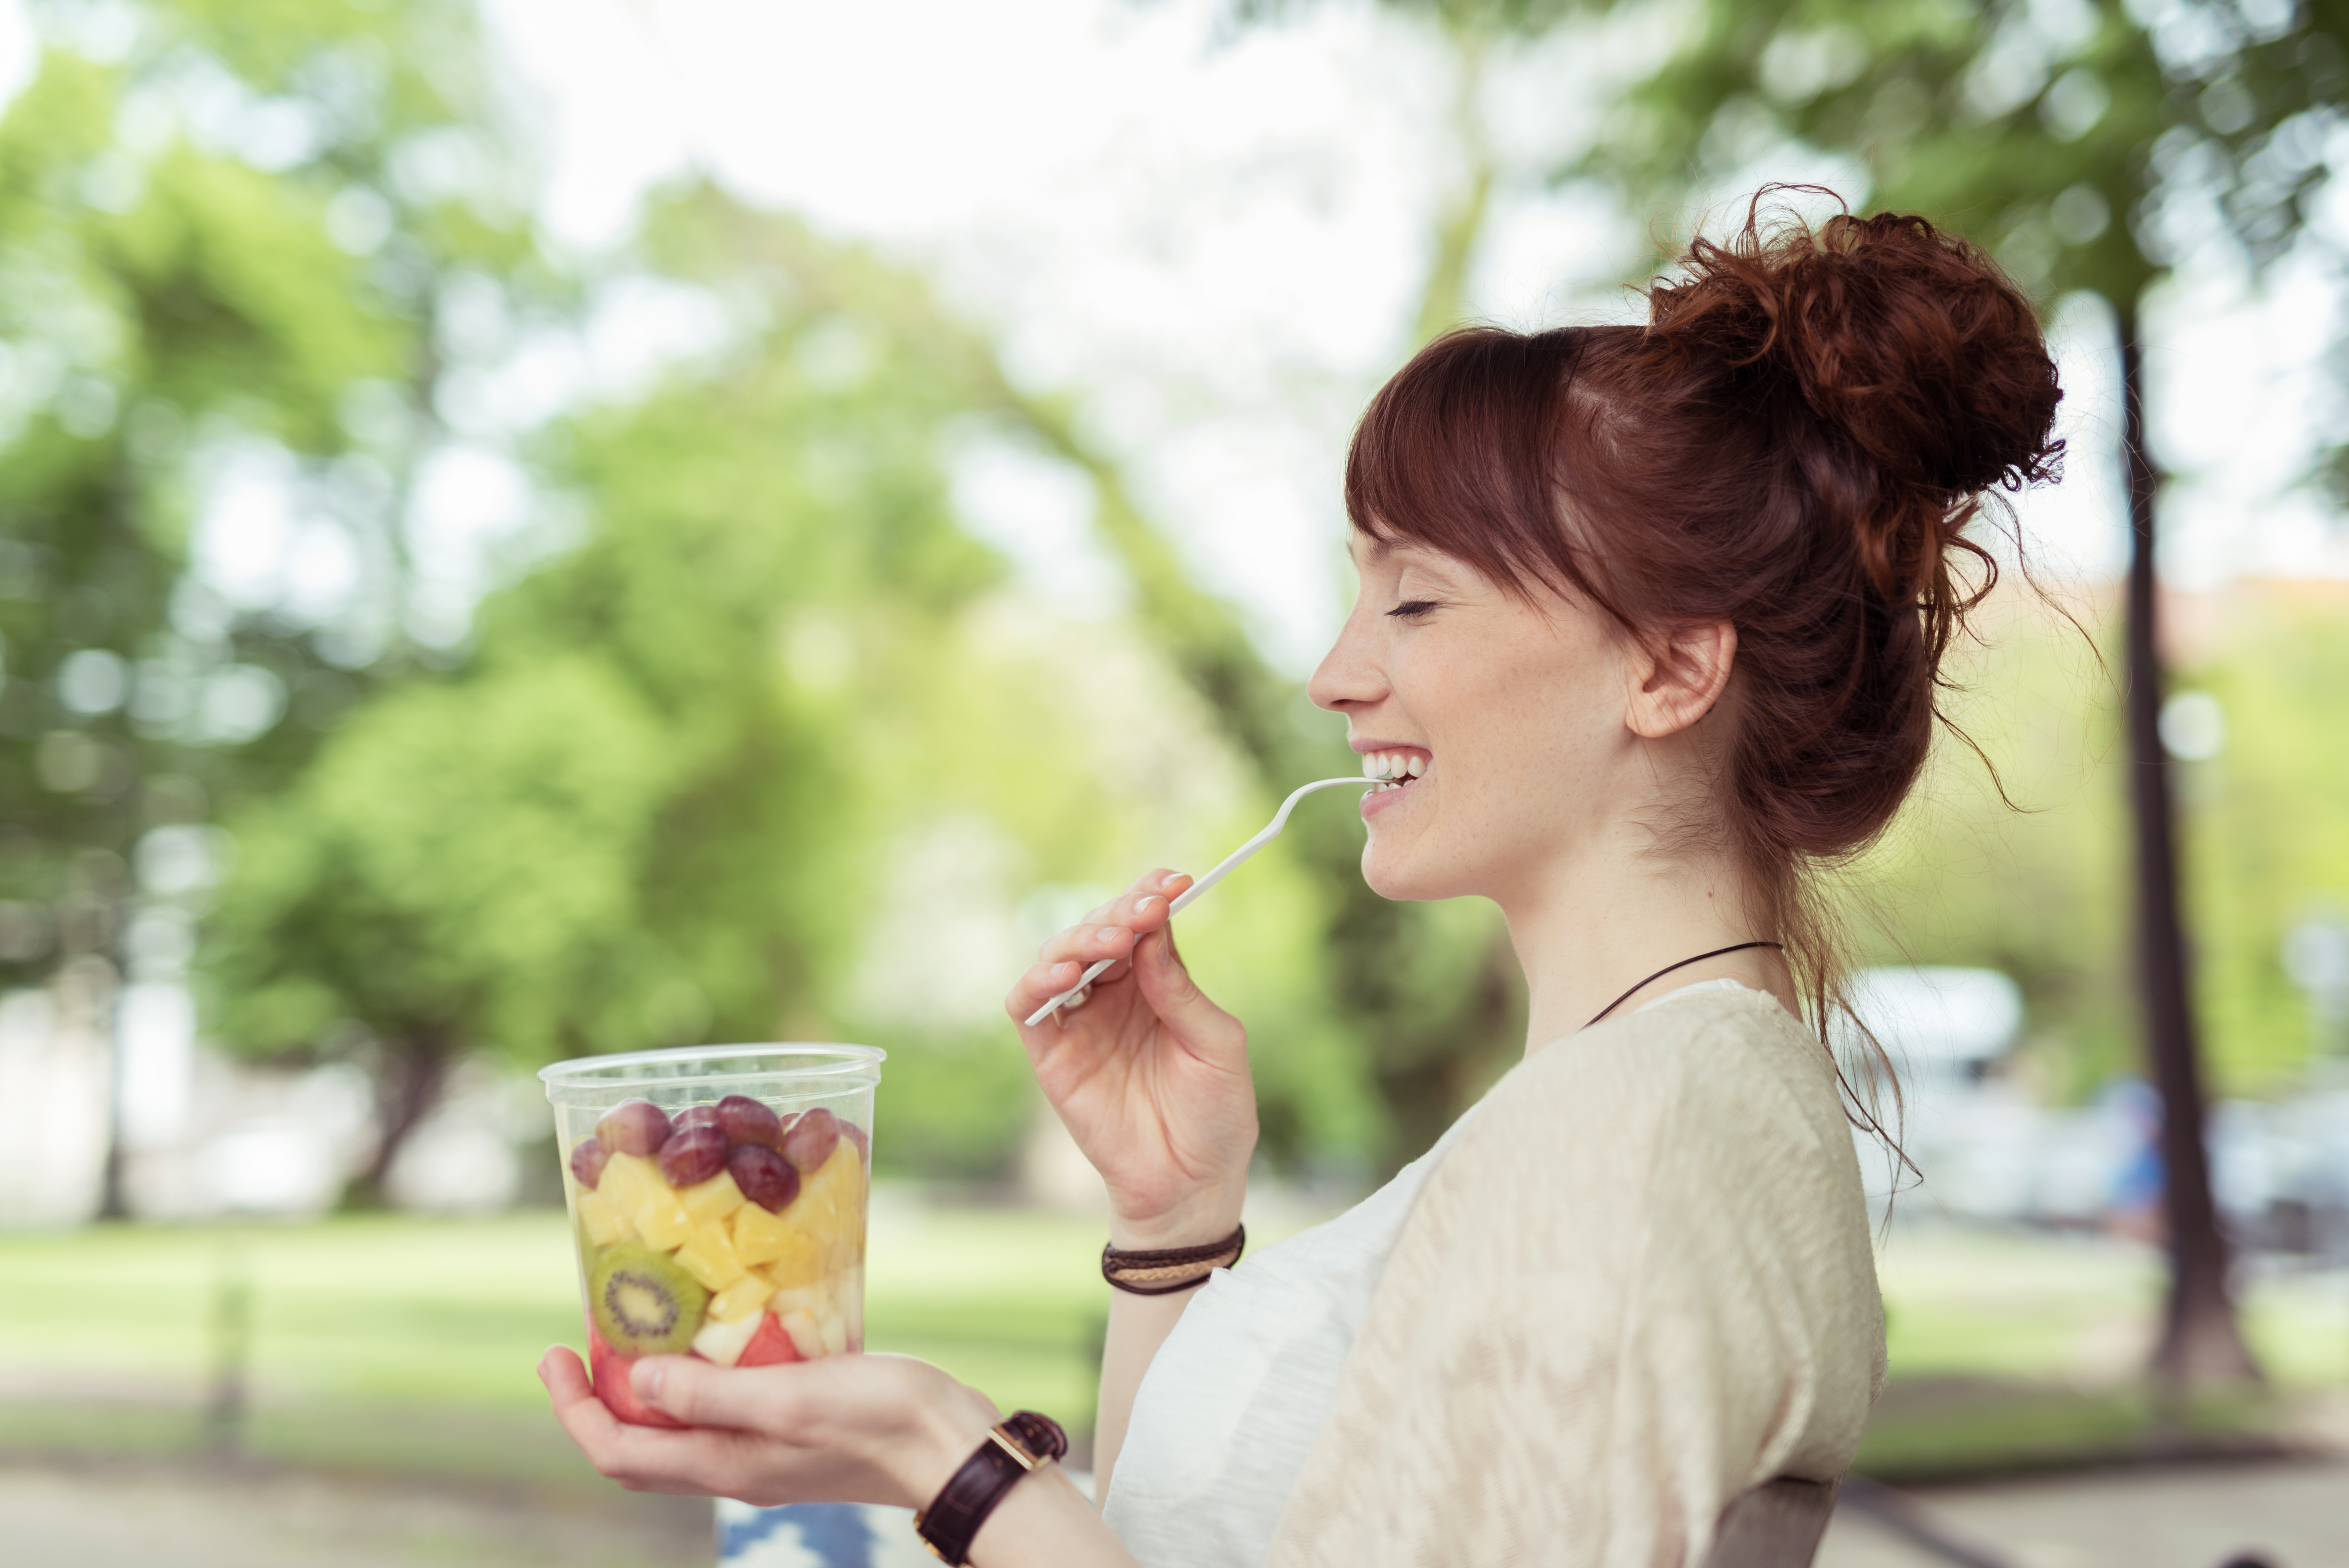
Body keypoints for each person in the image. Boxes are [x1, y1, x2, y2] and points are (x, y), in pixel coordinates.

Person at [538, 191, 2064, 1567]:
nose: (1336, 674)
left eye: (1413, 597)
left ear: (1667, 668)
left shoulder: (1638, 1133)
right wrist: (1172, 1220)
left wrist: (948, 1463)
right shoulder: (1617, 1101)